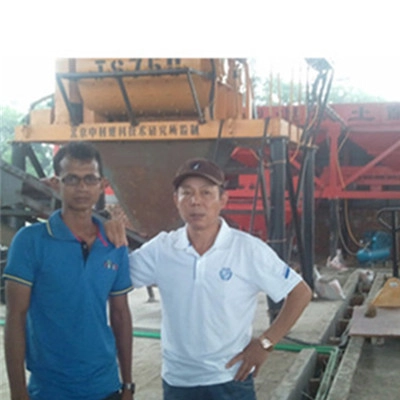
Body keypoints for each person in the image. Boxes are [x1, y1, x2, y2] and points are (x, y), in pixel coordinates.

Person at [105, 157, 312, 400]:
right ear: (176, 200)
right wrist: (105, 237)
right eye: (187, 193)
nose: (196, 201)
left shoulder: (247, 249)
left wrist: (266, 343)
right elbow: (112, 277)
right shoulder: (162, 249)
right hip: (179, 382)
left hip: (231, 380)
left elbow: (300, 293)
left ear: (223, 200)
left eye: (206, 193)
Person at [3, 141, 135, 400]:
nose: (82, 187)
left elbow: (120, 315)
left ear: (101, 184)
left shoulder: (115, 245)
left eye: (90, 179)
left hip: (106, 386)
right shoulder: (30, 242)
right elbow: (15, 317)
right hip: (50, 390)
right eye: (72, 179)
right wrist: (17, 391)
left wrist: (128, 385)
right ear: (56, 183)